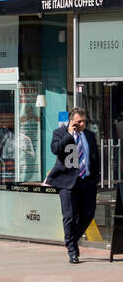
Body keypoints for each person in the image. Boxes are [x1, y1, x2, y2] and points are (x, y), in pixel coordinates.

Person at [45, 107, 100, 264]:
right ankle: (72, 251)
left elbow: (94, 157)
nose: (82, 124)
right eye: (79, 122)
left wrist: (95, 177)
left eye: (84, 121)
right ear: (71, 121)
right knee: (69, 217)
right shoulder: (60, 133)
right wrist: (69, 134)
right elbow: (56, 149)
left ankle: (70, 239)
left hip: (87, 181)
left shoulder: (89, 135)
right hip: (67, 182)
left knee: (88, 215)